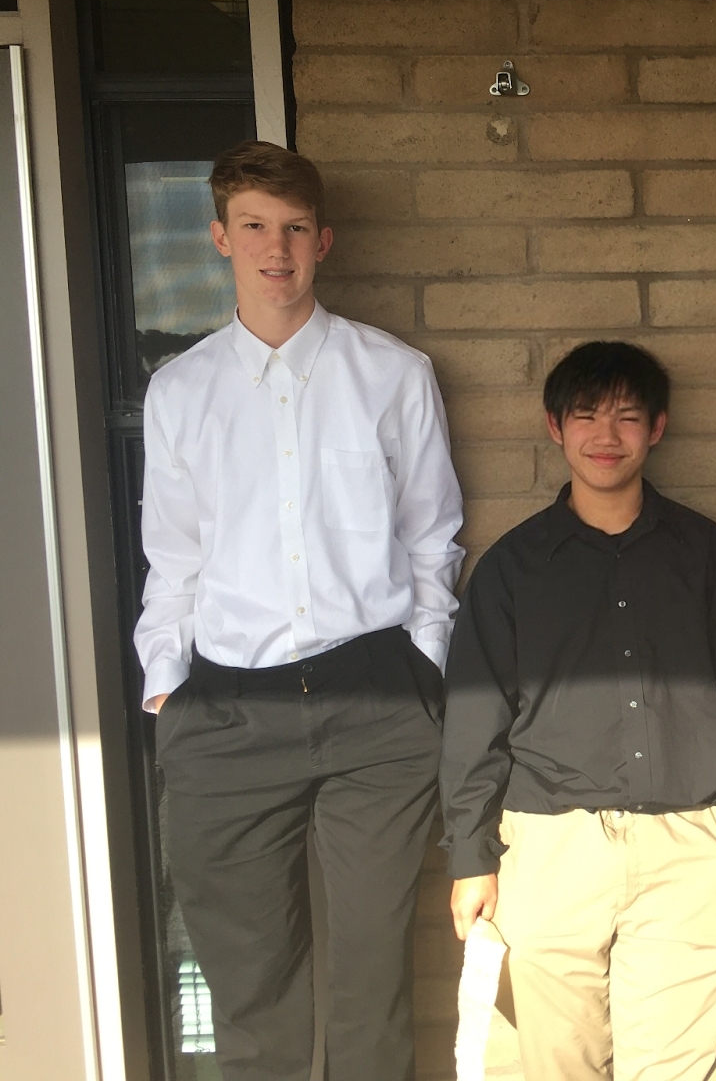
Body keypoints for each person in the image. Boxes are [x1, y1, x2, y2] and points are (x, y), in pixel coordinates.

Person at [134, 140, 464, 1081]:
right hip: (226, 710)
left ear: (324, 241)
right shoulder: (181, 391)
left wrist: (424, 663)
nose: (274, 250)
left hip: (375, 702)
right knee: (250, 994)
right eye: (252, 229)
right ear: (218, 239)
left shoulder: (392, 374)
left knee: (373, 987)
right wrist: (167, 684)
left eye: (292, 231)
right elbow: (175, 555)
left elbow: (432, 534)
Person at [441, 341, 716, 1081]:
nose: (607, 435)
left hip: (691, 846)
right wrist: (472, 857)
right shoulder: (510, 569)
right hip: (550, 851)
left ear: (657, 428)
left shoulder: (707, 554)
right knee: (559, 1069)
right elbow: (475, 724)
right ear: (554, 427)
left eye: (628, 416)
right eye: (587, 415)